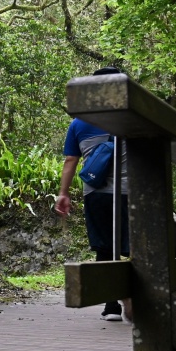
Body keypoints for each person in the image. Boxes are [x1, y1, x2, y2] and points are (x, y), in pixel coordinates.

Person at [56, 67, 130, 322]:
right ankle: (135, 298)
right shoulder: (132, 117)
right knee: (135, 246)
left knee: (105, 248)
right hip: (131, 192)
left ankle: (112, 306)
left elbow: (70, 161)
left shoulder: (79, 122)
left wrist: (63, 193)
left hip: (96, 193)